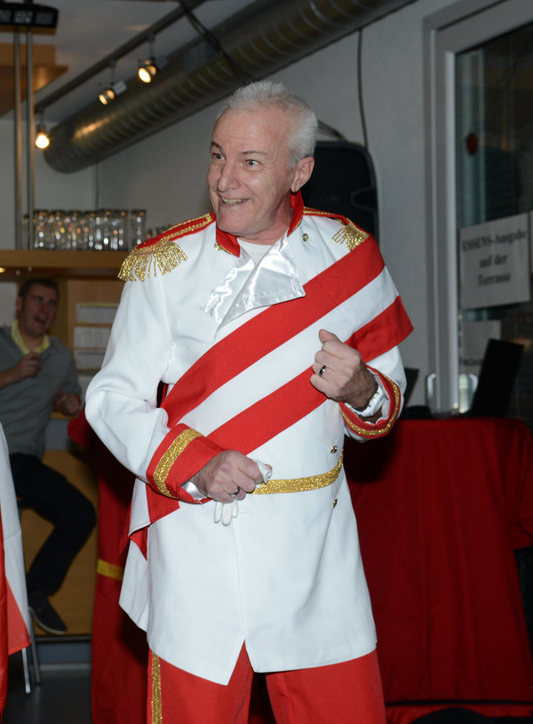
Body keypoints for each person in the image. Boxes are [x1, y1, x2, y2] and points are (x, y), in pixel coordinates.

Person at [84, 81, 413, 722]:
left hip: (317, 553)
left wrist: (361, 390)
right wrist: (195, 462)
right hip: (199, 539)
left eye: (250, 161)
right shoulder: (164, 266)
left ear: (300, 172)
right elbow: (111, 397)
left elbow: (385, 406)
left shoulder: (350, 255)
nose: (224, 179)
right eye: (217, 156)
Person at [0, 277, 96, 636]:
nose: (44, 309)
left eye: (51, 303)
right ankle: (11, 601)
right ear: (19, 304)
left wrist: (71, 404)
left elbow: (72, 400)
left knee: (81, 513)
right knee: (74, 511)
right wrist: (12, 374)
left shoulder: (60, 356)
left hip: (22, 460)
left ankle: (34, 590)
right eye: (37, 300)